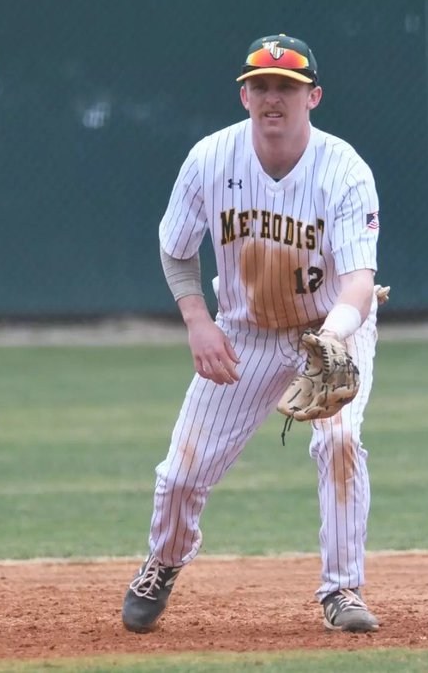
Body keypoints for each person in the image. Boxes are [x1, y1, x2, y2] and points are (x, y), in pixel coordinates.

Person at [122, 33, 383, 634]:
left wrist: (334, 339)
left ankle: (342, 589)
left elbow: (359, 282)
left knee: (337, 442)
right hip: (244, 330)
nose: (273, 98)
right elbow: (175, 250)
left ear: (312, 96)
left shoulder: (344, 171)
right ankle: (163, 562)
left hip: (330, 330)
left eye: (287, 87)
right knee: (182, 473)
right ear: (243, 95)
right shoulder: (211, 160)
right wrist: (198, 322)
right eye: (261, 85)